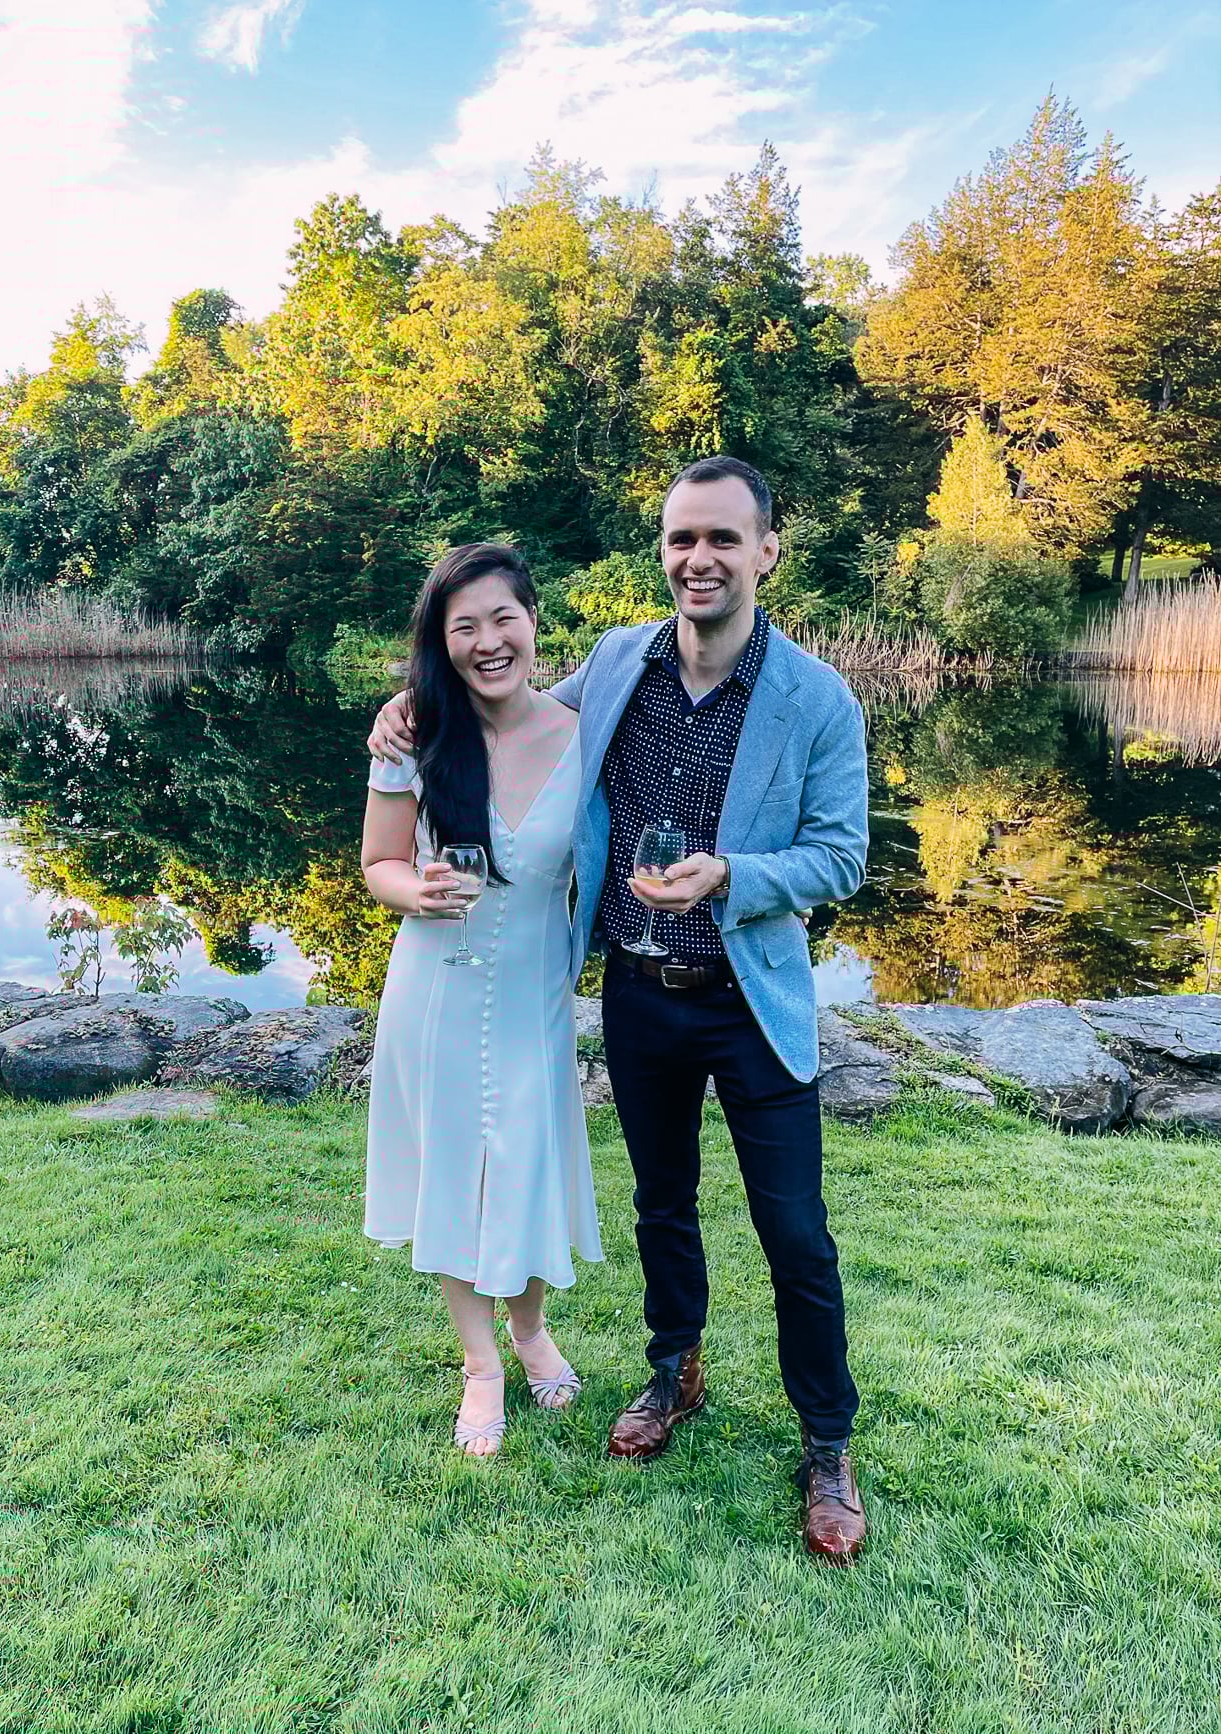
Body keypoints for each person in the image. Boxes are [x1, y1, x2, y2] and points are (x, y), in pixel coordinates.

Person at [370, 458, 870, 1560]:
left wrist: (732, 874)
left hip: (751, 1001)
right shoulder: (615, 662)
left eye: (723, 540)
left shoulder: (818, 700)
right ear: (664, 551)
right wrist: (414, 710)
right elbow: (513, 733)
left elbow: (841, 855)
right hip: (640, 996)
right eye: (682, 539)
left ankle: (825, 1447)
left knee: (795, 1232)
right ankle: (669, 1374)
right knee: (662, 1208)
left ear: (766, 553)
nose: (700, 559)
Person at [360, 542, 603, 1458]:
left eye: (503, 618)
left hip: (538, 997)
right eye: (465, 626)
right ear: (442, 641)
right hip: (437, 996)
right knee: (455, 1176)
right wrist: (410, 890)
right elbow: (378, 862)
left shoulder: (590, 735)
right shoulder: (416, 733)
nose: (488, 641)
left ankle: (532, 1329)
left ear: (535, 622)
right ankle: (481, 1368)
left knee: (527, 1166)